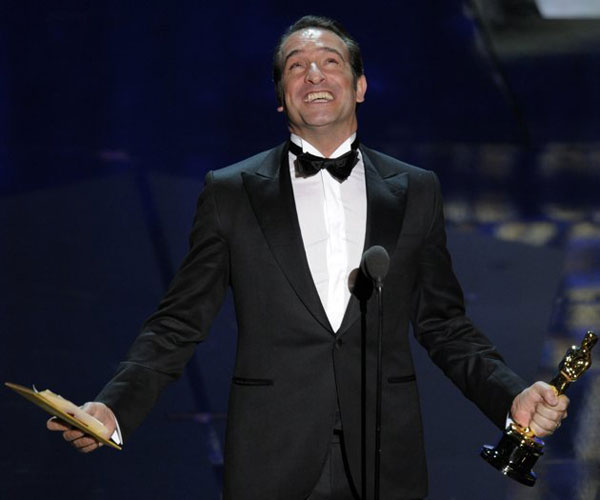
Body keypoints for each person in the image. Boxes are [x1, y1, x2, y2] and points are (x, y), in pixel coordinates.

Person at [47, 15, 569, 500]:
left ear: (360, 86)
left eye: (329, 62)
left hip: (385, 457)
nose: (313, 74)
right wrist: (114, 407)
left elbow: (444, 324)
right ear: (281, 96)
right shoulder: (231, 192)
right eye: (296, 66)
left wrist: (509, 397)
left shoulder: (416, 189)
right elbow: (179, 321)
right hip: (271, 456)